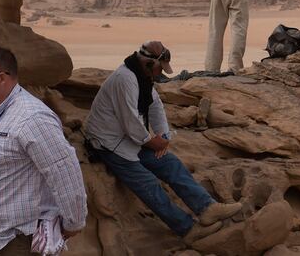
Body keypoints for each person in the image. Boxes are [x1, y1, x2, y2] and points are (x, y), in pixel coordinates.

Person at [84, 41, 242, 246]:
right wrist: (151, 142)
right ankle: (187, 229)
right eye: (160, 68)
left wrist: (163, 137)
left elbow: (155, 106)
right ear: (149, 63)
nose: (161, 73)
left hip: (130, 139)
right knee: (148, 183)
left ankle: (207, 208)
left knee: (171, 164)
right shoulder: (125, 79)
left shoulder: (143, 77)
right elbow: (130, 121)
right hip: (109, 143)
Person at [0, 47, 87, 255]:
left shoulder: (33, 118)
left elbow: (64, 172)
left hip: (14, 237)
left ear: (2, 78)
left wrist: (74, 222)